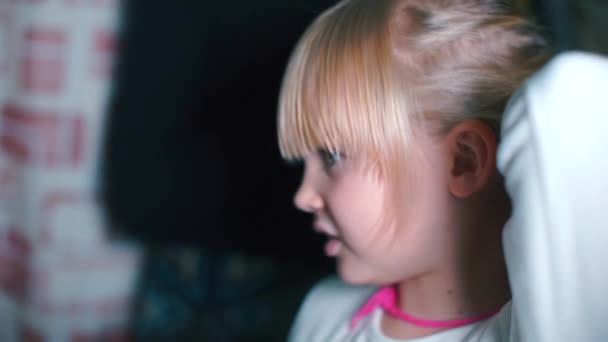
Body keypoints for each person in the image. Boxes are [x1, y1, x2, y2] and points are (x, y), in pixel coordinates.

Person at [276, 0, 608, 340]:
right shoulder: (324, 311)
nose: (303, 196)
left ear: (463, 160)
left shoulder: (537, 330)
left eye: (332, 155)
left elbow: (571, 94)